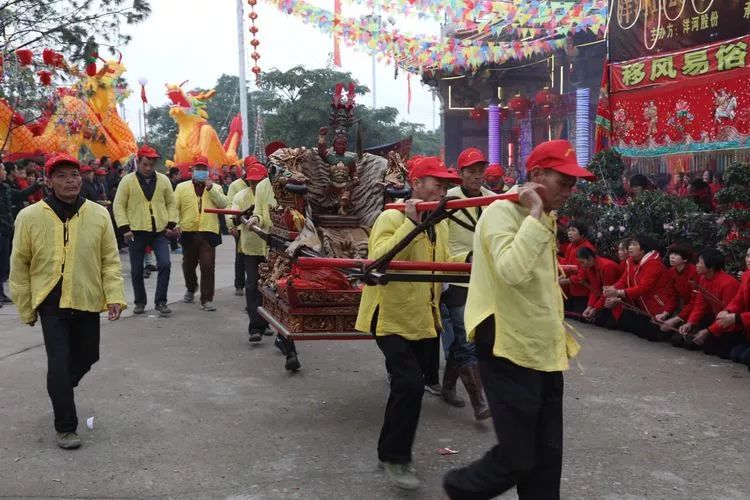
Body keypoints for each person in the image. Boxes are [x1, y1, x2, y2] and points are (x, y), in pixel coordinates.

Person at [443, 140, 594, 499]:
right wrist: (536, 214)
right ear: (537, 175)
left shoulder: (540, 215)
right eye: (564, 181)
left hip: (542, 345)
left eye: (574, 184)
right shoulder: (501, 212)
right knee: (518, 457)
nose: (570, 191)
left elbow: (531, 282)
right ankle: (460, 488)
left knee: (546, 458)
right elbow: (511, 270)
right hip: (505, 343)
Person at [355, 157, 467, 490]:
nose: (443, 189)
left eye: (447, 185)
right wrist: (409, 222)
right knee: (410, 385)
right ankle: (396, 457)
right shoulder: (390, 216)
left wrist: (468, 262)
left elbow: (443, 264)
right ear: (416, 184)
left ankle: (386, 448)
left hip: (423, 319)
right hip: (389, 317)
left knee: (409, 388)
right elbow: (379, 260)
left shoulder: (442, 222)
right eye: (437, 183)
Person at [9, 153, 125, 449]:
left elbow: (110, 260)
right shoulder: (30, 216)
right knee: (58, 365)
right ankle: (66, 427)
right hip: (51, 303)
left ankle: (61, 388)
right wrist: (26, 306)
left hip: (86, 296)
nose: (70, 180)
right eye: (61, 176)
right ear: (48, 181)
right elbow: (19, 264)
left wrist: (114, 296)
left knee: (88, 357)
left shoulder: (98, 214)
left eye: (73, 174)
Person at [441, 147, 493, 420]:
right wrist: (465, 257)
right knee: (465, 337)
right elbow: (441, 239)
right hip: (456, 277)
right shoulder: (447, 199)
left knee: (472, 339)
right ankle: (479, 402)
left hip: (486, 278)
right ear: (460, 173)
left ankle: (448, 386)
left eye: (479, 170)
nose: (476, 175)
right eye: (470, 171)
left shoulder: (496, 200)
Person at [113, 145, 177, 316]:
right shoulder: (127, 181)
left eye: (151, 164)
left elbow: (171, 203)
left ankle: (161, 301)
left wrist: (171, 224)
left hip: (159, 231)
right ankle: (140, 301)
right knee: (136, 270)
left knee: (165, 264)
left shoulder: (164, 180)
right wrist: (125, 228)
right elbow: (118, 205)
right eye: (145, 164)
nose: (148, 168)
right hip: (135, 231)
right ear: (138, 162)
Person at [174, 156, 227, 311]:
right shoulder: (181, 187)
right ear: (192, 171)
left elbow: (224, 204)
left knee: (207, 265)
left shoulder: (216, 188)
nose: (201, 172)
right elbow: (174, 208)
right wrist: (176, 224)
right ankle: (191, 288)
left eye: (204, 169)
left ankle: (206, 299)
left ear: (208, 171)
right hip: (188, 231)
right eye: (198, 169)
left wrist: (211, 189)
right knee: (188, 265)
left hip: (208, 232)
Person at [603, 234, 675, 342]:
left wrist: (617, 292)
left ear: (644, 248)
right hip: (641, 307)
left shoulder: (654, 264)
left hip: (658, 308)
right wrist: (611, 289)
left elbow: (643, 288)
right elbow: (624, 280)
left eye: (634, 245)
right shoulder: (631, 261)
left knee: (649, 335)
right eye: (630, 245)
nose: (630, 247)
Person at [671, 249, 740, 355]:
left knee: (717, 351)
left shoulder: (728, 283)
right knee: (684, 341)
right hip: (715, 319)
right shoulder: (703, 278)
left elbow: (730, 314)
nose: (697, 265)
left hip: (731, 324)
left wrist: (708, 331)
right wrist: (690, 323)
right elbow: (700, 305)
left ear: (711, 267)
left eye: (700, 263)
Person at [230, 161, 269, 342]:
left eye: (258, 181)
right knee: (252, 285)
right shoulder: (240, 196)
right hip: (251, 248)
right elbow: (234, 219)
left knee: (269, 287)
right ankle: (255, 326)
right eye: (252, 182)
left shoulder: (271, 193)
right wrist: (245, 213)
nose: (255, 185)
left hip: (270, 247)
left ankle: (268, 321)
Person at [0, 163, 43, 305]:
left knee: (3, 263)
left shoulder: (5, 188)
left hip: (6, 230)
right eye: (3, 169)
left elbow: (20, 195)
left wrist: (37, 185)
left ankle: (1, 293)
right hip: (4, 228)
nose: (4, 172)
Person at [227, 158, 257, 297]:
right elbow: (230, 205)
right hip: (241, 225)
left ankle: (256, 285)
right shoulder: (235, 186)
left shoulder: (263, 185)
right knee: (241, 256)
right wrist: (231, 224)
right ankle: (239, 284)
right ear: (245, 168)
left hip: (258, 225)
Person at [656, 244, 697, 333]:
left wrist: (677, 318)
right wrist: (665, 313)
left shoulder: (694, 272)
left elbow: (695, 301)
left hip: (694, 308)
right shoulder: (671, 272)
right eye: (671, 254)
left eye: (676, 254)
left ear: (685, 259)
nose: (672, 257)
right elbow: (671, 295)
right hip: (682, 306)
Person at [720, 248, 750, 367]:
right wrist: (728, 311)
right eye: (747, 255)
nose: (749, 259)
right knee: (735, 355)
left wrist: (737, 318)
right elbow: (738, 300)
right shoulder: (747, 275)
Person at [578, 247, 623, 327]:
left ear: (590, 258)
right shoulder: (590, 267)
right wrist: (589, 307)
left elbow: (608, 292)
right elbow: (595, 289)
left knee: (608, 324)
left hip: (618, 299)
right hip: (606, 297)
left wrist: (595, 309)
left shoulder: (607, 267)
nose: (582, 266)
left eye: (583, 262)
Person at [559, 221, 596, 315]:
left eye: (573, 230)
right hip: (571, 289)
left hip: (583, 291)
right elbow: (567, 266)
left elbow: (583, 274)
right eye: (569, 230)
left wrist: (565, 281)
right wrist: (561, 277)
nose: (569, 233)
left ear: (582, 234)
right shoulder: (570, 246)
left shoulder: (587, 248)